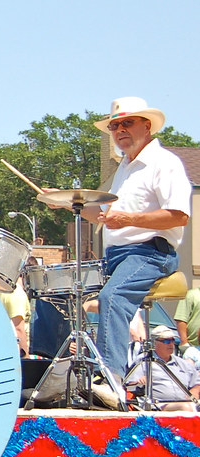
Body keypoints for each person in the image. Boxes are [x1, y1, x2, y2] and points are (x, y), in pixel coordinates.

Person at [75, 98, 191, 378]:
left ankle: (110, 378)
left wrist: (128, 219)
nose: (119, 130)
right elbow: (103, 216)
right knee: (60, 295)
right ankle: (51, 371)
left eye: (127, 123)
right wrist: (69, 202)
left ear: (147, 126)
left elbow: (179, 216)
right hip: (117, 256)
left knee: (112, 296)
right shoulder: (124, 168)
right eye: (114, 126)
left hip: (151, 253)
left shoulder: (165, 163)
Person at [126, 325, 200, 411]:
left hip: (186, 403)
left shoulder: (182, 364)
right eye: (166, 341)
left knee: (187, 406)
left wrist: (192, 395)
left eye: (172, 340)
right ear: (154, 343)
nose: (171, 344)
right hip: (158, 405)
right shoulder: (144, 361)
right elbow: (129, 385)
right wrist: (140, 382)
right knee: (185, 407)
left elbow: (196, 384)